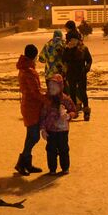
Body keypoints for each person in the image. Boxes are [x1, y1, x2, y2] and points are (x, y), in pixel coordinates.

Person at [15, 44, 45, 175]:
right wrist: (48, 99)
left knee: (31, 136)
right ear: (34, 56)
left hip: (29, 105)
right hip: (31, 106)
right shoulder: (28, 71)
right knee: (33, 137)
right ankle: (22, 163)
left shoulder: (25, 69)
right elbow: (35, 92)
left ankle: (26, 163)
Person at [40, 73, 78, 175]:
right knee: (51, 150)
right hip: (50, 130)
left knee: (63, 149)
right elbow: (42, 116)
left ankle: (65, 167)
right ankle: (52, 169)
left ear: (60, 87)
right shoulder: (46, 99)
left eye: (54, 85)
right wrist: (43, 129)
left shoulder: (65, 99)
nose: (51, 88)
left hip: (62, 130)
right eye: (50, 85)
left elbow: (74, 111)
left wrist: (69, 115)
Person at [62, 28, 93, 121]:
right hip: (71, 74)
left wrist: (86, 68)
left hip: (81, 73)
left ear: (77, 40)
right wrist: (68, 50)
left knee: (83, 92)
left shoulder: (83, 48)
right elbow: (64, 60)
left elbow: (89, 60)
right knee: (72, 93)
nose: (72, 41)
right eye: (71, 40)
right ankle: (74, 111)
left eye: (74, 39)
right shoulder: (67, 49)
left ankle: (86, 111)